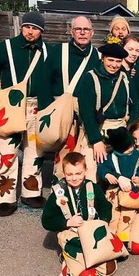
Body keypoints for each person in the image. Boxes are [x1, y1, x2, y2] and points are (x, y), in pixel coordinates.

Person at [0, 11, 47, 217]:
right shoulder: (6, 47)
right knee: (7, 153)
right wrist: (6, 91)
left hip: (36, 106)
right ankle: (5, 198)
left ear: (41, 31)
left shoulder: (47, 50)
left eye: (36, 28)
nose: (31, 31)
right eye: (28, 27)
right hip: (10, 108)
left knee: (34, 152)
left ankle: (31, 192)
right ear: (22, 27)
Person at [40, 16, 101, 183]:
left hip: (86, 114)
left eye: (86, 30)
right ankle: (61, 194)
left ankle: (84, 192)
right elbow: (44, 81)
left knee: (85, 155)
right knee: (63, 155)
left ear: (92, 33)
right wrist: (47, 110)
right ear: (72, 32)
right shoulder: (58, 51)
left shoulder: (97, 56)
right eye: (78, 29)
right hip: (62, 111)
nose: (82, 33)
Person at [41, 152, 116, 276]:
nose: (74, 178)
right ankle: (67, 261)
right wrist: (67, 222)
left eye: (78, 173)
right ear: (64, 173)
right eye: (69, 174)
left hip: (90, 232)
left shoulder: (92, 187)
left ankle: (86, 259)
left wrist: (103, 221)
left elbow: (105, 207)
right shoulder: (58, 193)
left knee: (108, 270)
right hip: (70, 234)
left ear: (85, 171)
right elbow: (46, 220)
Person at [77, 42, 139, 177]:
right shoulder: (90, 78)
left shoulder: (125, 78)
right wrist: (96, 140)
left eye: (118, 61)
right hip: (97, 129)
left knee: (123, 173)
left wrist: (129, 131)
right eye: (110, 60)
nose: (114, 65)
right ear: (102, 58)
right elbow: (86, 112)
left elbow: (135, 107)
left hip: (121, 130)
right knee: (90, 173)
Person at [97, 127, 139, 255]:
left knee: (127, 216)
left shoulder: (138, 157)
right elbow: (102, 168)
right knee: (113, 216)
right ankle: (110, 238)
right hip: (114, 192)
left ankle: (123, 238)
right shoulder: (112, 158)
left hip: (131, 193)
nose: (131, 148)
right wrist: (108, 175)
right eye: (128, 147)